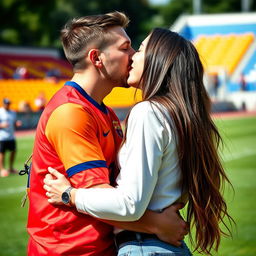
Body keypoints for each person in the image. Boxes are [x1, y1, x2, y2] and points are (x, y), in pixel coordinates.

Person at [44, 28, 234, 255]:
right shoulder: (177, 113)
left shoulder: (149, 112)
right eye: (127, 48)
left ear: (159, 61)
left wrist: (70, 195)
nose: (133, 56)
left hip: (145, 246)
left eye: (140, 49)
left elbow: (129, 205)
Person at [27, 12, 188, 256]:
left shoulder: (106, 113)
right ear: (97, 58)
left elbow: (115, 195)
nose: (134, 55)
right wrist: (156, 224)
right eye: (125, 48)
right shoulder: (71, 113)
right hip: (69, 250)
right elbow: (98, 196)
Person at [0, 98, 22, 177]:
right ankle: (2, 169)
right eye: (6, 103)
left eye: (8, 103)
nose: (7, 105)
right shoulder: (0, 112)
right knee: (2, 153)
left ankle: (11, 168)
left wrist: (17, 124)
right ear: (3, 103)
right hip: (2, 137)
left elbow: (14, 123)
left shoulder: (13, 112)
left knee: (13, 151)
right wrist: (2, 125)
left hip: (11, 136)